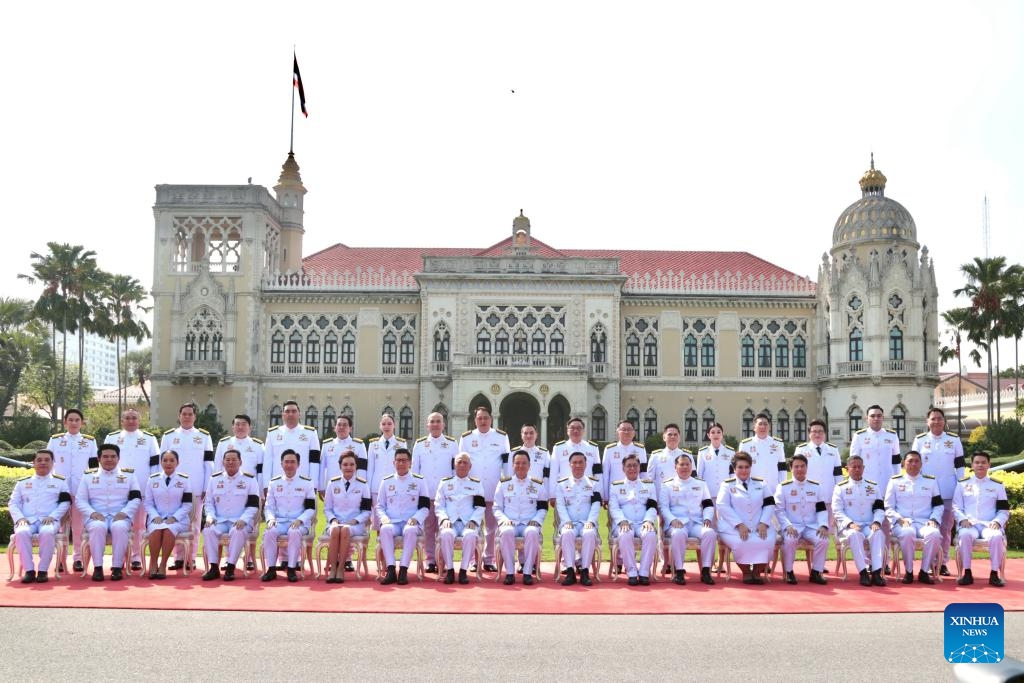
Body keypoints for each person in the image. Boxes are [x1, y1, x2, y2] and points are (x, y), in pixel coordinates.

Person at [75, 443, 142, 581]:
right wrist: (92, 513)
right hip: (96, 515)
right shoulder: (88, 476)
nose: (109, 459)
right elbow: (80, 500)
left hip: (120, 514)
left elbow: (136, 498)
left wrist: (125, 512)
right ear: (99, 459)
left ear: (118, 458)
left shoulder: (128, 475)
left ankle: (117, 568)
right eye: (105, 456)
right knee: (98, 527)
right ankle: (98, 568)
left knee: (120, 527)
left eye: (113, 456)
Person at [912, 407, 966, 577]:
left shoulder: (954, 439)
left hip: (948, 490)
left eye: (939, 418)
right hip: (926, 492)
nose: (936, 421)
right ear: (927, 422)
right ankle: (928, 563)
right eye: (933, 419)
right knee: (930, 527)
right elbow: (914, 464)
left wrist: (961, 485)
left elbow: (960, 465)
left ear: (944, 421)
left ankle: (942, 563)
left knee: (945, 528)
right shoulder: (920, 440)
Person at [104, 408, 160, 572]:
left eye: (134, 418)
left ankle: (136, 557)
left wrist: (151, 487)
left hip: (141, 487)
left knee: (139, 525)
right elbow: (105, 462)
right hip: (117, 489)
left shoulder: (149, 439)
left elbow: (155, 466)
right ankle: (119, 558)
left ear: (139, 420)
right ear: (122, 420)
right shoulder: (112, 438)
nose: (130, 421)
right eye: (127, 418)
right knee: (118, 523)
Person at [160, 402, 213, 569]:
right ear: (179, 415)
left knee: (195, 524)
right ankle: (178, 558)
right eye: (184, 414)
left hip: (196, 486)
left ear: (195, 417)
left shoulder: (204, 436)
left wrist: (206, 486)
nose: (187, 417)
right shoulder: (169, 436)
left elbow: (208, 463)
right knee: (175, 521)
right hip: (173, 487)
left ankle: (191, 558)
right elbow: (161, 463)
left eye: (190, 414)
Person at [8, 449, 71, 583]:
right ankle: (29, 571)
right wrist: (20, 518)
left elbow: (65, 503)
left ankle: (43, 571)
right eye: (39, 460)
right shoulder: (22, 482)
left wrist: (54, 516)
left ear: (53, 463)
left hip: (49, 520)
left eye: (47, 460)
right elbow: (13, 503)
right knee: (21, 532)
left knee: (47, 532)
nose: (43, 463)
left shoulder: (61, 482)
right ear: (34, 463)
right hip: (27, 520)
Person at [459, 406, 510, 572]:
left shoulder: (501, 437)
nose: (483, 421)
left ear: (491, 419)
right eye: (479, 418)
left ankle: (489, 559)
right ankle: (474, 559)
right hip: (472, 490)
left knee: (491, 527)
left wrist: (508, 485)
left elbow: (507, 463)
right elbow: (461, 464)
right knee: (473, 525)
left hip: (493, 487)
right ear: (475, 420)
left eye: (485, 417)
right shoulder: (466, 438)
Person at [47, 408, 97, 573]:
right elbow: (48, 464)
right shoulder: (55, 440)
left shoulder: (90, 441)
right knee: (61, 527)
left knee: (78, 527)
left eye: (77, 420)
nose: (74, 423)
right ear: (65, 422)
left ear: (82, 423)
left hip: (80, 489)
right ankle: (61, 560)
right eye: (71, 420)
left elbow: (94, 467)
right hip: (60, 490)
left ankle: (78, 559)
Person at [884, 450, 943, 584]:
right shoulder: (895, 481)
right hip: (902, 522)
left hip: (925, 522)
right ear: (903, 464)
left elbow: (938, 506)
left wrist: (934, 519)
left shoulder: (930, 481)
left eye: (917, 461)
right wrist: (899, 519)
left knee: (934, 533)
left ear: (921, 464)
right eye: (910, 461)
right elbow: (888, 507)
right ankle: (909, 571)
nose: (913, 464)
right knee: (907, 532)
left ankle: (924, 571)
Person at [201, 448, 260, 581]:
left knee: (238, 531)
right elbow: (209, 503)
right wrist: (210, 517)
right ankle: (214, 567)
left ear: (240, 462)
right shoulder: (214, 479)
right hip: (220, 520)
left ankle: (230, 567)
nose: (230, 462)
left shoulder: (249, 479)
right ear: (223, 462)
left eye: (234, 460)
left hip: (240, 521)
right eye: (227, 460)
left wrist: (244, 519)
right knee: (208, 530)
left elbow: (253, 505)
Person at [716, 452, 775, 585]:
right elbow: (722, 505)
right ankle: (746, 572)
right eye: (740, 467)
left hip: (759, 524)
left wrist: (764, 523)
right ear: (734, 468)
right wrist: (739, 524)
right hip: (732, 527)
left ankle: (757, 572)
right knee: (742, 542)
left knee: (766, 541)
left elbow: (770, 503)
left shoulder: (761, 483)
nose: (744, 470)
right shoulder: (727, 485)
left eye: (747, 467)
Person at [659, 453, 716, 585]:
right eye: (681, 464)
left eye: (687, 464)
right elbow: (663, 507)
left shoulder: (700, 484)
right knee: (678, 533)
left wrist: (707, 518)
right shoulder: (667, 485)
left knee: (710, 533)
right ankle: (679, 571)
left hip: (696, 523)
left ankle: (706, 570)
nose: (684, 467)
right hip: (676, 523)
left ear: (692, 466)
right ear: (675, 467)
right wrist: (672, 520)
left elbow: (708, 504)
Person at [953, 451, 1009, 587]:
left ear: (989, 465)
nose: (980, 465)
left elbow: (1003, 510)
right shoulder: (962, 484)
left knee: (996, 536)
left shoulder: (997, 485)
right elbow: (956, 507)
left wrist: (997, 522)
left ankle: (994, 573)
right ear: (972, 465)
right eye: (977, 462)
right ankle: (967, 572)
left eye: (983, 462)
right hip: (969, 524)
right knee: (965, 535)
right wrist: (962, 519)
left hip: (988, 525)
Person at [261, 449, 316, 583]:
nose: (289, 465)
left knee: (294, 532)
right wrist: (270, 519)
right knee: (269, 532)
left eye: (292, 462)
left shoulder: (306, 482)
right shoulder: (274, 483)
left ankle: (291, 568)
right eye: (286, 462)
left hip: (298, 522)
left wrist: (300, 519)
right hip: (279, 521)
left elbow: (310, 508)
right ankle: (271, 569)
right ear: (281, 464)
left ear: (298, 464)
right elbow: (269, 506)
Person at [376, 447, 430, 585]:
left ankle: (404, 569)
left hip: (411, 522)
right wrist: (383, 518)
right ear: (393, 462)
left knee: (410, 530)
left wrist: (416, 518)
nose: (401, 463)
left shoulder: (419, 481)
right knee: (385, 529)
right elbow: (380, 506)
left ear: (410, 463)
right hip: (392, 522)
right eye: (398, 460)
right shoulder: (386, 481)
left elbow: (425, 507)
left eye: (404, 460)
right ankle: (391, 569)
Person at [494, 450, 548, 585]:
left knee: (532, 532)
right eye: (517, 463)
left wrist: (536, 520)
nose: (520, 466)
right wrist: (504, 520)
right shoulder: (504, 483)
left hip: (528, 523)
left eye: (524, 463)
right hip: (509, 522)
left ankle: (528, 572)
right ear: (512, 465)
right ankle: (510, 573)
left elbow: (543, 508)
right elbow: (496, 508)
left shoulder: (537, 484)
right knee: (506, 532)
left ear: (529, 465)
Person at [832, 455, 887, 587]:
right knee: (854, 535)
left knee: (878, 533)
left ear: (863, 468)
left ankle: (876, 572)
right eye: (853, 467)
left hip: (869, 524)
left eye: (859, 467)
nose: (857, 469)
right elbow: (837, 510)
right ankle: (863, 572)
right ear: (847, 469)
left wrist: (877, 522)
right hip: (849, 526)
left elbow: (879, 508)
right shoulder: (840, 487)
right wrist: (850, 524)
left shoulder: (873, 486)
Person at [412, 411, 456, 573]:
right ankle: (430, 560)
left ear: (444, 425)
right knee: (429, 528)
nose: (436, 424)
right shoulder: (420, 444)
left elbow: (455, 470)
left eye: (439, 421)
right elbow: (415, 471)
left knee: (445, 528)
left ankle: (443, 560)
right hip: (427, 493)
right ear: (427, 425)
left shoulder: (452, 444)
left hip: (446, 496)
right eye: (432, 421)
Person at [774, 454, 829, 585]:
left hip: (811, 526)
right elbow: (778, 510)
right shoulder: (783, 487)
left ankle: (816, 572)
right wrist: (787, 526)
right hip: (792, 526)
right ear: (791, 469)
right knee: (790, 539)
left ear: (807, 467)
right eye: (796, 466)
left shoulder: (816, 486)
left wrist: (823, 525)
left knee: (823, 540)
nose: (800, 469)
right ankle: (789, 572)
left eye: (802, 466)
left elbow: (821, 509)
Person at [435, 452, 485, 585]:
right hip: (449, 522)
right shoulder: (445, 483)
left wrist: (473, 521)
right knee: (445, 535)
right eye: (459, 462)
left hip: (468, 522)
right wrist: (444, 519)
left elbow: (480, 507)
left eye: (465, 462)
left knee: (469, 535)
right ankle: (450, 570)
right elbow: (439, 505)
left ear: (470, 466)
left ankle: (463, 571)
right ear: (454, 464)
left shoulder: (476, 484)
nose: (462, 465)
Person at [322, 450, 372, 584]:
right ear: (340, 467)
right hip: (335, 522)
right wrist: (332, 520)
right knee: (335, 530)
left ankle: (340, 569)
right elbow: (327, 508)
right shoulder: (332, 483)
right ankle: (332, 569)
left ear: (356, 467)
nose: (348, 467)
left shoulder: (363, 484)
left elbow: (367, 511)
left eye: (351, 464)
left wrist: (356, 520)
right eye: (345, 465)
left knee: (345, 530)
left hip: (355, 524)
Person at [607, 454, 658, 585]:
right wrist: (622, 521)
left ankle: (644, 572)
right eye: (629, 466)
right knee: (625, 535)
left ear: (639, 467)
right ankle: (632, 572)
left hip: (643, 522)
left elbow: (652, 506)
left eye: (635, 465)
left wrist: (648, 520)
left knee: (651, 535)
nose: (632, 468)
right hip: (624, 522)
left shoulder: (649, 485)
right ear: (623, 468)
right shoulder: (616, 486)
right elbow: (613, 507)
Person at [143, 450, 194, 579]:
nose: (168, 463)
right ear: (161, 462)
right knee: (155, 530)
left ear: (178, 462)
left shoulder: (184, 480)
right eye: (165, 460)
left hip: (178, 519)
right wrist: (155, 516)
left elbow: (187, 504)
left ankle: (163, 565)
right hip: (157, 518)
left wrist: (175, 517)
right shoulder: (152, 479)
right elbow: (148, 503)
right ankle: (153, 563)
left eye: (172, 460)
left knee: (168, 530)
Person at [553, 452, 601, 586]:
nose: (578, 465)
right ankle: (570, 571)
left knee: (589, 533)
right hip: (569, 522)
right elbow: (560, 506)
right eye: (575, 462)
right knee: (567, 533)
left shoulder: (594, 483)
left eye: (581, 462)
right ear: (570, 465)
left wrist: (591, 522)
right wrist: (567, 522)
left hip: (587, 522)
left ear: (586, 464)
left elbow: (596, 505)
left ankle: (585, 571)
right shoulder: (562, 484)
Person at [696, 421, 735, 573]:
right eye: (713, 432)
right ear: (708, 435)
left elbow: (733, 476)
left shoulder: (730, 452)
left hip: (725, 498)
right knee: (709, 530)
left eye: (718, 431)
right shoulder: (703, 452)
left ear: (722, 434)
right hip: (708, 498)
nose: (716, 434)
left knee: (724, 530)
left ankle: (721, 562)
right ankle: (709, 562)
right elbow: (699, 476)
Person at [792, 419, 843, 530]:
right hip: (808, 496)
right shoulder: (801, 450)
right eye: (814, 431)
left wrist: (840, 493)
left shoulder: (833, 450)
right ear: (809, 434)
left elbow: (838, 474)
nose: (817, 434)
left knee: (831, 529)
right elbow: (795, 474)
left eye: (820, 431)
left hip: (828, 495)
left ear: (825, 433)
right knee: (810, 530)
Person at [263, 400, 321, 492]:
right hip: (278, 484)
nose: (290, 414)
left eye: (294, 411)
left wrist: (313, 485)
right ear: (283, 415)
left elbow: (314, 461)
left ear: (299, 414)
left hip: (303, 483)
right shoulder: (272, 433)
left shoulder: (310, 433)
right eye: (287, 411)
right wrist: (266, 484)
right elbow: (267, 460)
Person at [850, 405, 901, 501]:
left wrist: (898, 481)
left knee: (888, 513)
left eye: (879, 416)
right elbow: (853, 463)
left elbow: (896, 462)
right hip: (867, 483)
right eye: (872, 416)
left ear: (883, 418)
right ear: (866, 418)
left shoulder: (892, 435)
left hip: (887, 482)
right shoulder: (859, 436)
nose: (876, 418)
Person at [367, 413, 406, 530]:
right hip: (376, 487)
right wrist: (368, 489)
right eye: (384, 424)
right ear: (380, 426)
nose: (386, 426)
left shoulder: (401, 443)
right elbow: (370, 468)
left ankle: (389, 547)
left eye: (389, 424)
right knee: (379, 523)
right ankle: (381, 548)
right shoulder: (373, 444)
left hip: (394, 487)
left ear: (394, 425)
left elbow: (403, 467)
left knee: (392, 520)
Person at [214, 414, 266, 491]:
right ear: (233, 427)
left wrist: (260, 491)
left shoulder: (258, 445)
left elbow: (261, 470)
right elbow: (217, 467)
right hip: (227, 486)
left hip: (250, 487)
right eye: (237, 424)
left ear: (250, 428)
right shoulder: (223, 443)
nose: (240, 427)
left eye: (244, 424)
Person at [549, 417, 602, 494]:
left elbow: (598, 472)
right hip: (565, 491)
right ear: (567, 431)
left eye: (579, 428)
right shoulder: (559, 448)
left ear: (583, 431)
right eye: (572, 428)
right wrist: (552, 494)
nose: (576, 430)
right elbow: (553, 472)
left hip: (587, 491)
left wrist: (600, 493)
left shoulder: (593, 448)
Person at [738, 413, 787, 494]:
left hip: (773, 488)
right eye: (760, 424)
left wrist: (782, 486)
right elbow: (740, 469)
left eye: (765, 424)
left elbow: (782, 467)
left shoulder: (778, 443)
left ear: (769, 427)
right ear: (754, 427)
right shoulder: (745, 445)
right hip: (752, 489)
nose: (763, 427)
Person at [601, 421, 648, 502]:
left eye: (629, 429)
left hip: (636, 493)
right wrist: (605, 496)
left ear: (634, 433)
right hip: (615, 493)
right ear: (618, 432)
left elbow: (644, 473)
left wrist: (646, 492)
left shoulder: (640, 449)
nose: (626, 432)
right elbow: (605, 475)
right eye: (623, 429)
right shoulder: (610, 449)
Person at [320, 414, 367, 491]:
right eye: (339, 425)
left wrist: (361, 487)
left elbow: (362, 469)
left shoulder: (359, 445)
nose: (341, 427)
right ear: (334, 428)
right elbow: (322, 468)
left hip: (353, 488)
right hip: (332, 487)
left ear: (350, 428)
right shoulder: (327, 445)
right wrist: (321, 487)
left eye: (345, 425)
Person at [647, 423, 694, 489]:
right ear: (664, 437)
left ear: (679, 437)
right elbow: (650, 480)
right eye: (669, 434)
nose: (673, 437)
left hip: (682, 495)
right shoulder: (655, 456)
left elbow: (693, 478)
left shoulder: (687, 455)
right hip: (661, 496)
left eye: (675, 435)